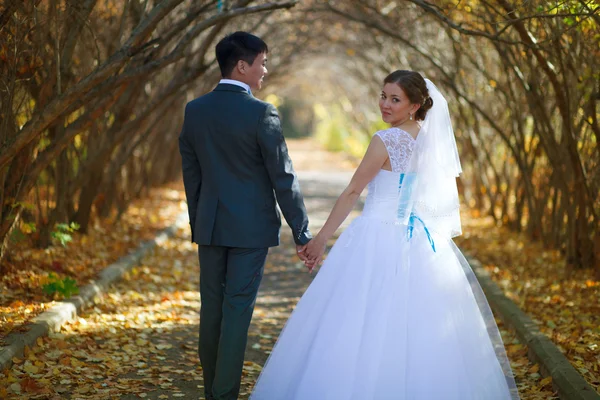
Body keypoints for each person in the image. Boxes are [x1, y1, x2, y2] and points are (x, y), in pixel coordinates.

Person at [250, 70, 520, 399]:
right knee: (416, 331)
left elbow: (352, 192)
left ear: (415, 105)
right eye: (383, 96)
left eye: (395, 99)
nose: (385, 104)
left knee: (358, 323)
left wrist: (320, 239)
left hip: (376, 235)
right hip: (420, 244)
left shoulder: (386, 140)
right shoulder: (431, 140)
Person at [178, 31, 313, 400]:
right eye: (262, 62)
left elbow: (192, 174)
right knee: (237, 311)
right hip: (251, 231)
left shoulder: (195, 110)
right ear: (242, 65)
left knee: (212, 310)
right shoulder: (262, 112)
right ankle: (223, 396)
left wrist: (199, 221)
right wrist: (301, 232)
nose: (265, 70)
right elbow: (282, 176)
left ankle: (213, 392)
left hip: (209, 226)